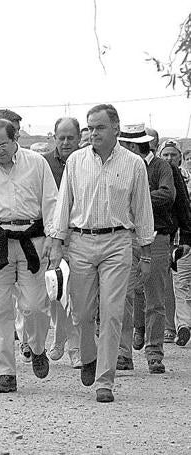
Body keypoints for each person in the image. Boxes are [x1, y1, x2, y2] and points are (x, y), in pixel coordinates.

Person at [50, 104, 154, 403]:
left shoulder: (134, 165)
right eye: (90, 127)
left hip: (118, 242)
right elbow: (63, 204)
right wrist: (57, 243)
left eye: (99, 127)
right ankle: (89, 354)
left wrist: (145, 254)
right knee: (81, 313)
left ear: (116, 130)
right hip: (81, 242)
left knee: (112, 312)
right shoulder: (76, 161)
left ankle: (105, 380)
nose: (93, 133)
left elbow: (143, 210)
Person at [0, 119, 58, 393]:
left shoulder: (37, 163)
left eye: (3, 145)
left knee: (34, 306)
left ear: (15, 138)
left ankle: (37, 346)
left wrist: (54, 238)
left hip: (33, 239)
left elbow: (52, 203)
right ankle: (5, 372)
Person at [115, 124, 174, 374]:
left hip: (158, 236)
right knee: (125, 297)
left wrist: (138, 196)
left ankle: (154, 352)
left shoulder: (161, 167)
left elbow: (169, 195)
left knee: (155, 297)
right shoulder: (120, 167)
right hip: (126, 237)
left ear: (132, 145)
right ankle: (123, 353)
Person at [41, 118, 82, 368]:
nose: (65, 142)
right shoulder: (44, 163)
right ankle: (59, 339)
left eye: (70, 138)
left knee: (77, 293)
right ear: (54, 137)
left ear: (79, 138)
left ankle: (76, 348)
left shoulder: (87, 161)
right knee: (56, 290)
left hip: (80, 236)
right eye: (61, 137)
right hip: (53, 236)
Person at [157, 139, 191, 347]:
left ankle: (183, 325)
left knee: (181, 285)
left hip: (181, 242)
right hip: (160, 240)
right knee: (164, 287)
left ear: (180, 157)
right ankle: (170, 326)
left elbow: (184, 211)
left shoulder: (186, 180)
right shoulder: (156, 177)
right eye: (166, 154)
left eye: (173, 154)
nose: (169, 158)